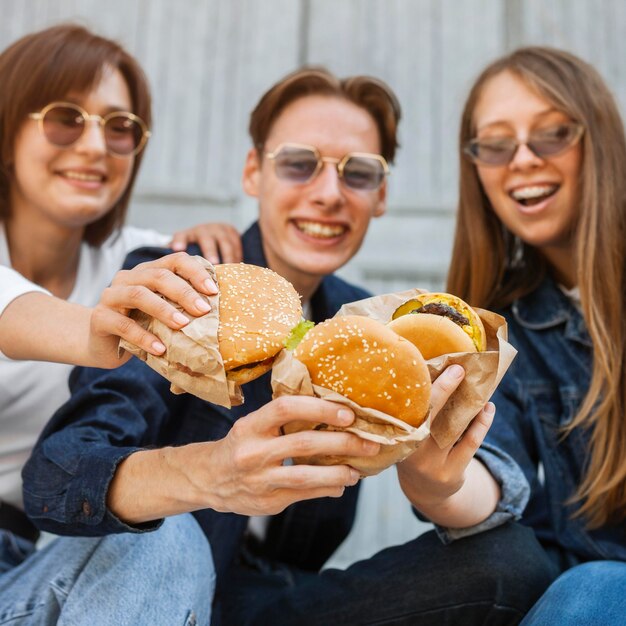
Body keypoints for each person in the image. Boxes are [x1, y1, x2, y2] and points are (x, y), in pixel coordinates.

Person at [24, 66, 556, 625]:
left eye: (358, 173)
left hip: (268, 602)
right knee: (171, 538)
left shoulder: (378, 334)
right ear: (254, 172)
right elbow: (55, 477)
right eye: (299, 164)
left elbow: (492, 493)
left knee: (511, 563)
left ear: (381, 196)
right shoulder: (178, 289)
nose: (328, 194)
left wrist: (436, 477)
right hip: (142, 581)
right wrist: (207, 475)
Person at [0, 23, 248, 623]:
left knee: (164, 541)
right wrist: (96, 332)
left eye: (120, 127)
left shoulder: (138, 261)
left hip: (49, 555)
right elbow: (12, 310)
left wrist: (208, 248)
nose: (94, 146)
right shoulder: (119, 298)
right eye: (66, 118)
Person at [446, 46, 626, 623]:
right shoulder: (506, 326)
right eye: (496, 144)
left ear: (597, 138)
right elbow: (499, 477)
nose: (521, 159)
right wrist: (433, 478)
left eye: (551, 134)